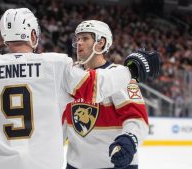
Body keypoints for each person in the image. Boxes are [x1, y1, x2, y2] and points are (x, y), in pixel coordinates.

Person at [0, 8, 157, 169]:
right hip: (45, 164)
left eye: (85, 38)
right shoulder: (56, 65)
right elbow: (95, 87)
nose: (79, 43)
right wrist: (131, 71)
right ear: (33, 34)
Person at [62, 20, 158, 169]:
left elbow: (137, 118)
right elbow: (63, 122)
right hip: (75, 165)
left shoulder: (119, 76)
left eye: (85, 38)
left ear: (101, 42)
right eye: (78, 38)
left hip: (114, 164)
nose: (79, 43)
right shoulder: (71, 77)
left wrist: (129, 140)